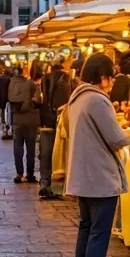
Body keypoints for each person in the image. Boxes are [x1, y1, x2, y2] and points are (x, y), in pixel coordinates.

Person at [63, 53, 130, 257]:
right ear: (104, 77)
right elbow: (116, 138)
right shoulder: (97, 100)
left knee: (87, 229)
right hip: (99, 176)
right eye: (111, 78)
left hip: (83, 175)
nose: (111, 83)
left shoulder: (77, 99)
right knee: (99, 232)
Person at [39, 56, 74, 200]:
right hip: (63, 122)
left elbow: (39, 99)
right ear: (64, 65)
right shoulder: (68, 80)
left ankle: (45, 184)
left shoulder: (44, 80)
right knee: (62, 154)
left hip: (46, 121)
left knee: (46, 154)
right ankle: (61, 187)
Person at [8, 64, 42, 184]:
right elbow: (38, 100)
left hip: (17, 118)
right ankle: (30, 174)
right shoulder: (32, 84)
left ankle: (19, 173)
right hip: (31, 118)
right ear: (25, 72)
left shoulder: (11, 83)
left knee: (17, 147)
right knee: (31, 147)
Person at [0, 65, 12, 139]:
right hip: (6, 100)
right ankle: (5, 128)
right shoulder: (8, 79)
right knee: (6, 115)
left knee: (1, 115)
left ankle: (3, 127)